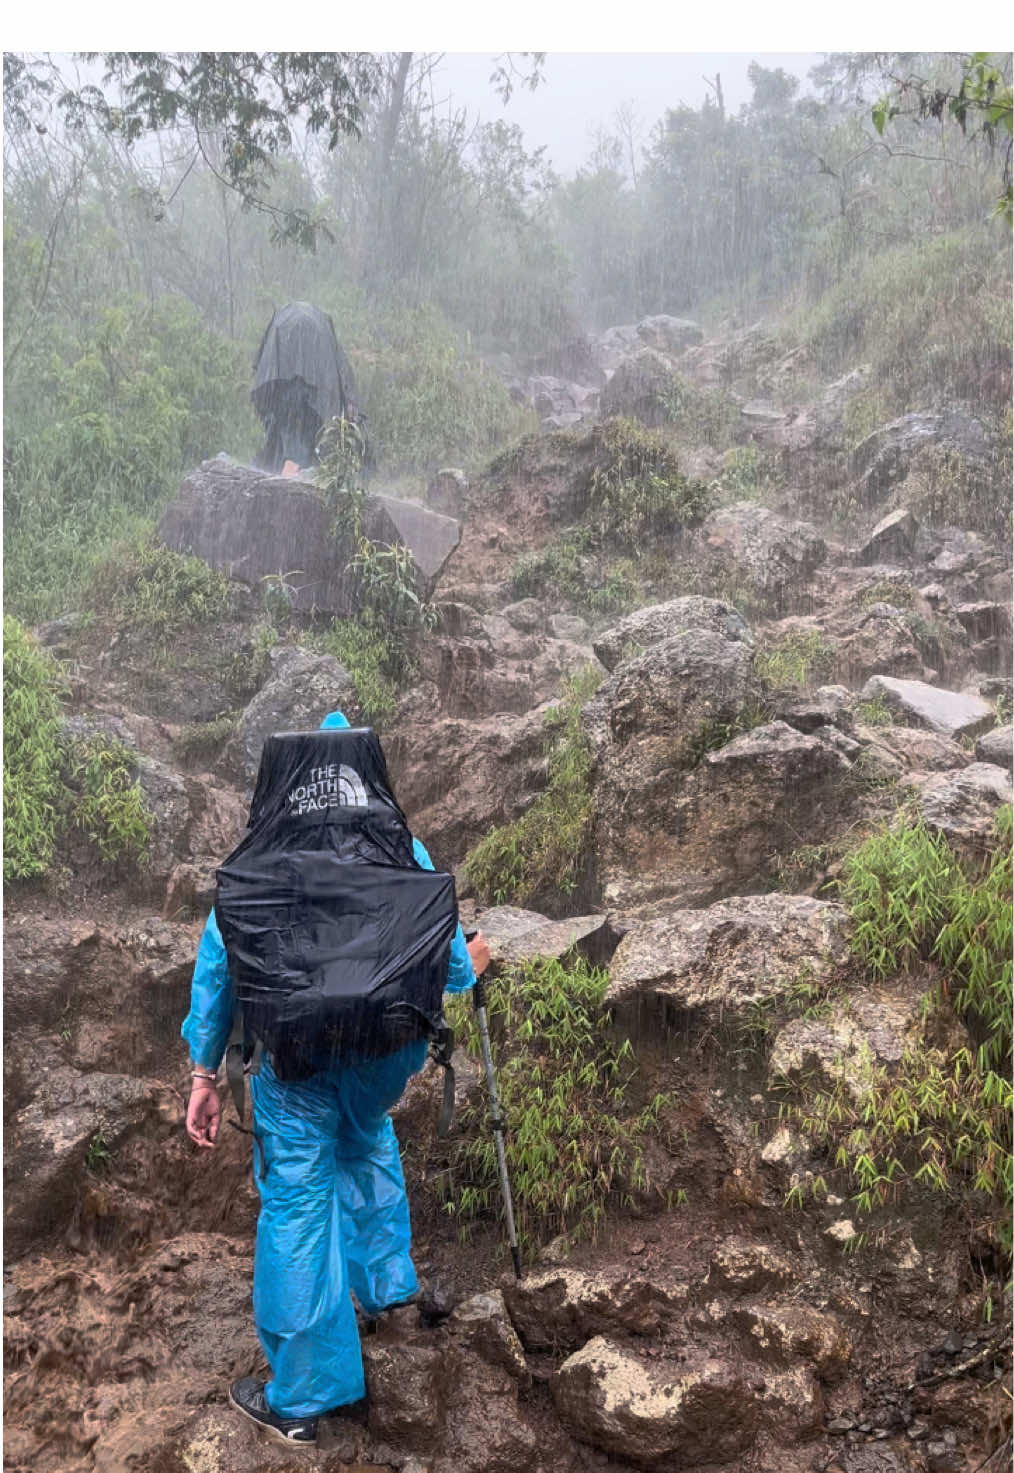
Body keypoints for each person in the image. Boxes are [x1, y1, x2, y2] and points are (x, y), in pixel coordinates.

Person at [182, 709, 490, 1448]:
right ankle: (389, 1289)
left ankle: (301, 1397)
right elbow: (449, 965)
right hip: (383, 1058)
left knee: (296, 1199)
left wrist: (205, 1071)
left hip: (297, 1061)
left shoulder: (260, 854)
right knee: (365, 1138)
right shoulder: (398, 844)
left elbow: (221, 965)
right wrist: (476, 957)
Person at [251, 302, 362, 474]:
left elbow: (261, 365)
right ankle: (288, 478)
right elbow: (342, 368)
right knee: (298, 450)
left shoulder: (281, 327)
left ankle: (283, 478)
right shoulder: (322, 331)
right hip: (310, 399)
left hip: (289, 396)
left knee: (290, 447)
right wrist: (349, 400)